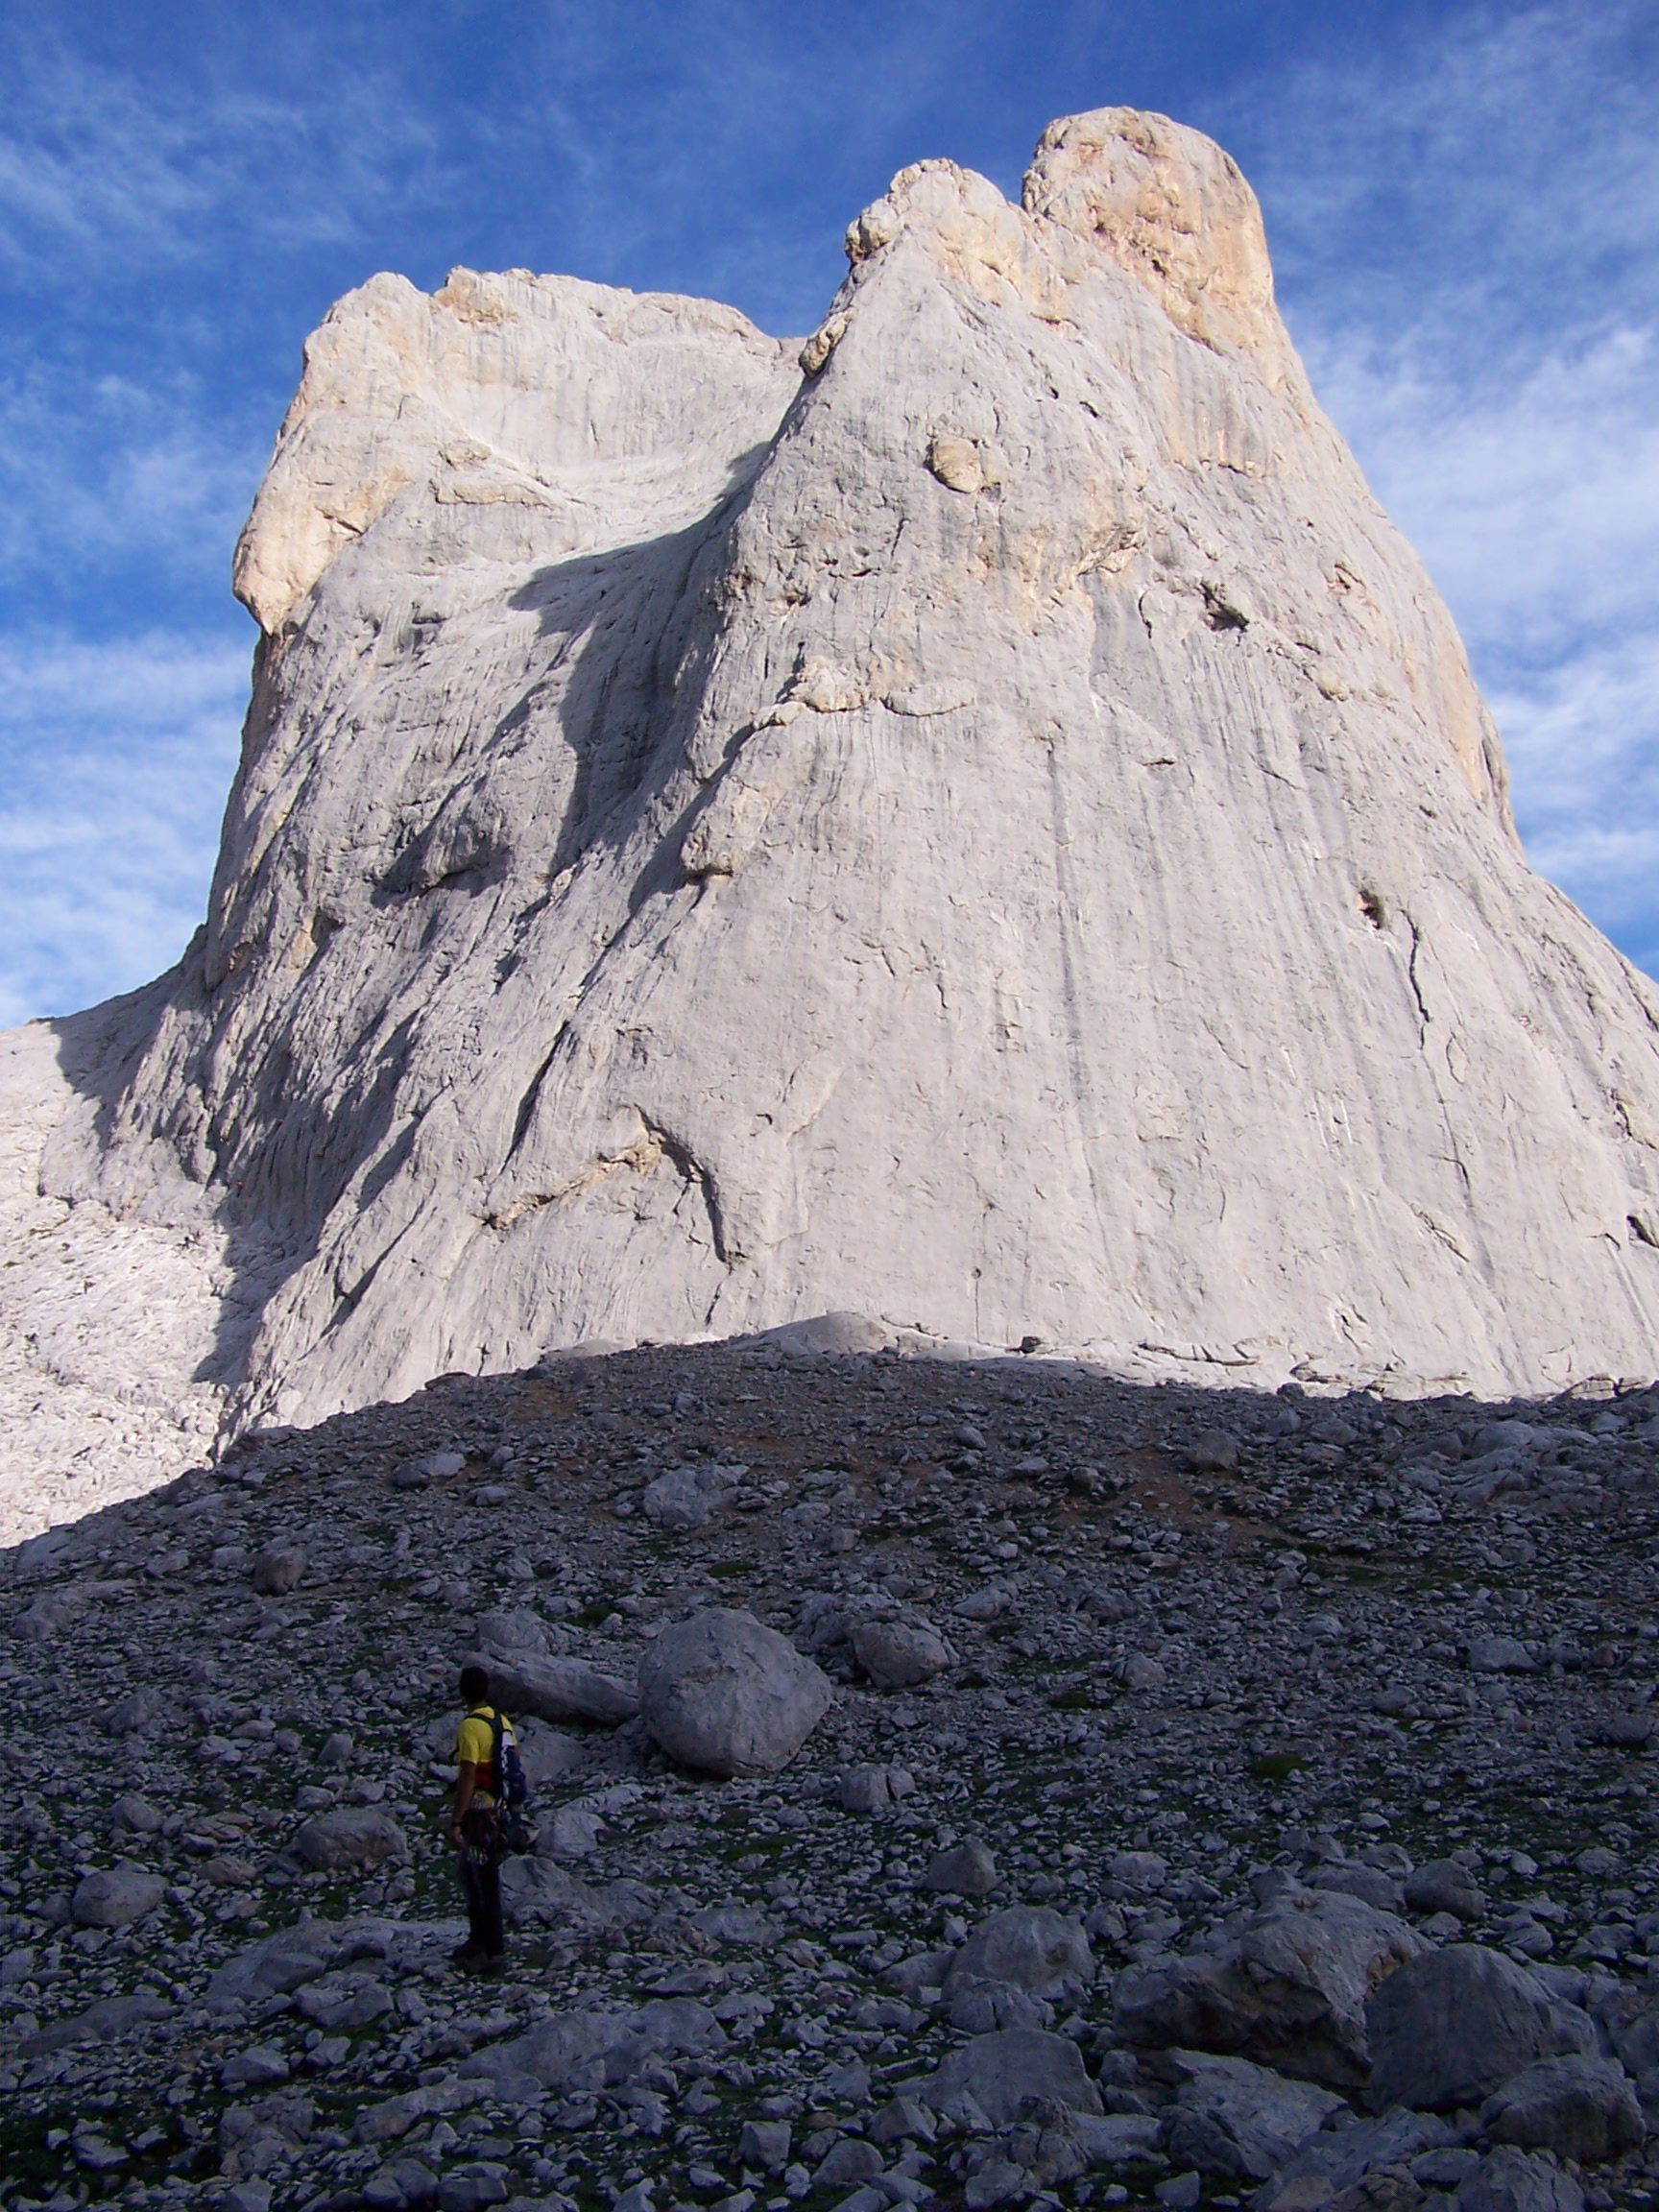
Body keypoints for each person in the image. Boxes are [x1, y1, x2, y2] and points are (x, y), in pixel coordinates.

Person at [450, 1663, 514, 1975]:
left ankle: (492, 1951)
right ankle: (479, 1941)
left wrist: (456, 1819)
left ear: (463, 1692)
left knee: (480, 1880)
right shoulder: (502, 1722)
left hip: (478, 1813)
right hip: (499, 1811)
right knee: (477, 1876)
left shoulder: (469, 1727)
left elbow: (468, 1774)